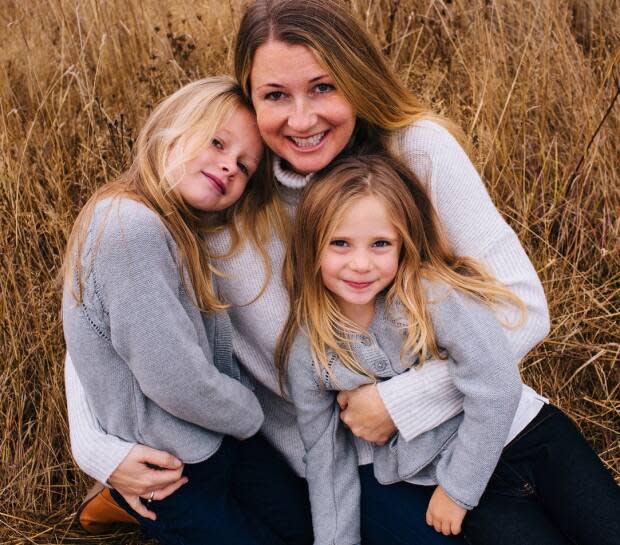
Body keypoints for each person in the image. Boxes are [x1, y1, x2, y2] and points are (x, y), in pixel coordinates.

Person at [64, 1, 553, 543]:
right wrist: (101, 451)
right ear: (251, 97)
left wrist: (401, 403)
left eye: (323, 87)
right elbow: (110, 312)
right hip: (338, 465)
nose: (301, 120)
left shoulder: (415, 150)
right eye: (276, 95)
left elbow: (523, 308)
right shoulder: (223, 193)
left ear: (357, 79)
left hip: (468, 424)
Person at [281, 153, 620, 545]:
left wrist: (457, 490)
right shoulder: (309, 353)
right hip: (477, 493)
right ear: (311, 247)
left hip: (533, 440)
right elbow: (326, 463)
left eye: (380, 244)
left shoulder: (432, 295)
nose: (360, 263)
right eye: (340, 243)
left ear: (403, 244)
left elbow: (497, 383)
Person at [62, 76, 294, 545]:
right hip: (172, 471)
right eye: (216, 143)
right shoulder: (133, 228)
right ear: (172, 127)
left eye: (245, 167)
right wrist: (251, 414)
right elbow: (174, 379)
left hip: (208, 441)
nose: (229, 166)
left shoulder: (173, 227)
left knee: (306, 528)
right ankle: (124, 504)